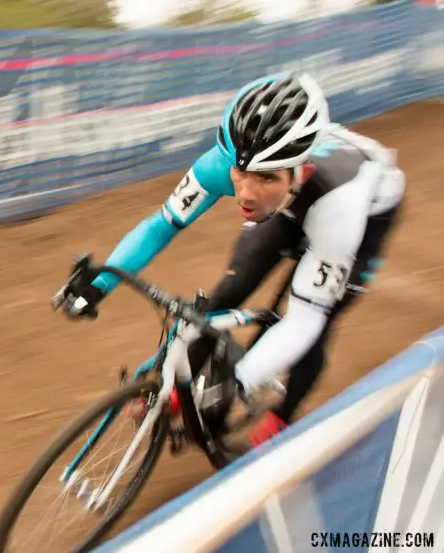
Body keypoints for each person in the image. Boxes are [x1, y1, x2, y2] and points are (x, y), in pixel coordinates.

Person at [53, 71, 405, 447]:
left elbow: (305, 323)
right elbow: (161, 226)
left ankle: (282, 417)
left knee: (320, 318)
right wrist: (99, 283)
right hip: (290, 203)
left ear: (300, 170)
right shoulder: (222, 164)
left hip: (366, 212)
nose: (247, 194)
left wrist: (237, 383)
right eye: (241, 174)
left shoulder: (341, 209)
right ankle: (180, 392)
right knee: (229, 290)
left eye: (265, 178)